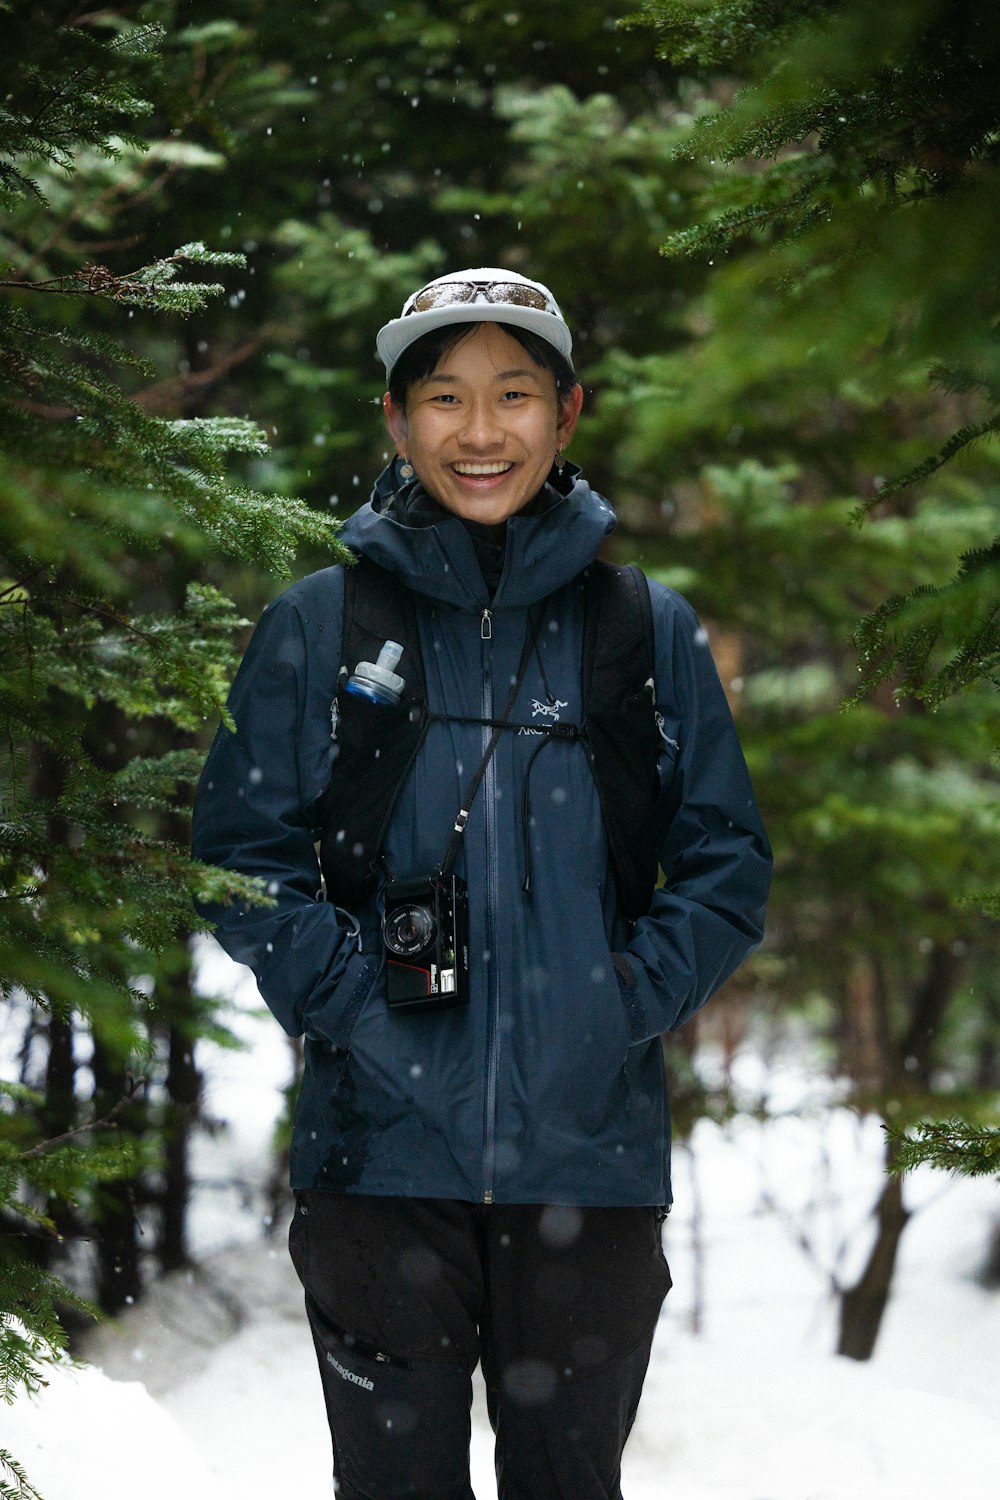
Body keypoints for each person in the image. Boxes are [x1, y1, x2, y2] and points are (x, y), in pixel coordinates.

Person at [192, 268, 772, 1500]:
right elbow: (243, 856)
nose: (480, 430)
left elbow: (724, 863)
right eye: (444, 397)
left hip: (589, 1166)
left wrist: (616, 1006)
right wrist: (356, 1009)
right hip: (378, 1165)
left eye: (513, 393)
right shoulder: (321, 624)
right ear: (396, 423)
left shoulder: (641, 626)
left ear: (567, 414)